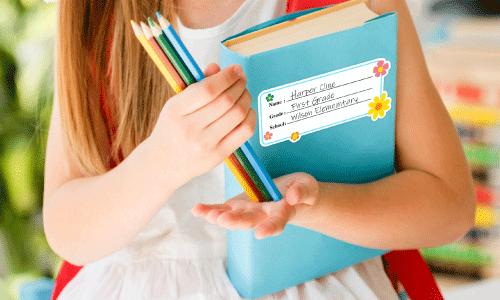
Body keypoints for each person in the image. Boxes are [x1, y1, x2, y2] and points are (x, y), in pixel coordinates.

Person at [43, 0, 476, 299]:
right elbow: (67, 229)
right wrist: (161, 162)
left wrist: (316, 203)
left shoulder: (362, 7)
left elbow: (448, 206)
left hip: (324, 277)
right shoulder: (97, 14)